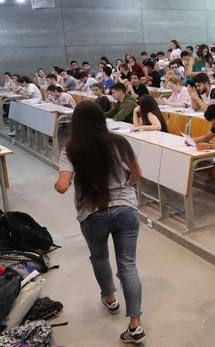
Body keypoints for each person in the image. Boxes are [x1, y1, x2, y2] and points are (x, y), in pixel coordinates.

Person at [54, 102, 146, 344]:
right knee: (128, 264)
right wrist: (124, 187)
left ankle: (110, 299)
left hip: (92, 213)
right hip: (125, 210)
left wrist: (61, 182)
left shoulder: (72, 149)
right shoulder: (119, 142)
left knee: (100, 257)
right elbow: (137, 173)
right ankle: (135, 324)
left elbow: (62, 186)